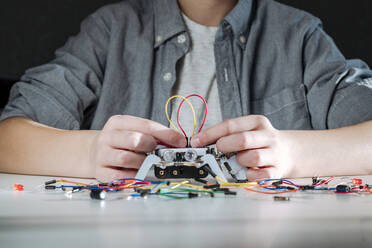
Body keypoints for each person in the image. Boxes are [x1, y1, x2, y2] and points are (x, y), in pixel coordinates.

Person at [0, 0, 372, 182]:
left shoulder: (298, 35)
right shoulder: (110, 31)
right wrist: (91, 153)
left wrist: (290, 153)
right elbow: (7, 139)